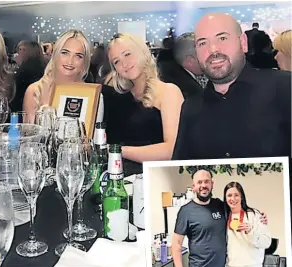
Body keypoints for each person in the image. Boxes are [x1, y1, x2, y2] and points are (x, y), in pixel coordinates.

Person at [172, 13, 291, 160]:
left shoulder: (285, 88)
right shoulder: (191, 108)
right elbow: (180, 172)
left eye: (222, 38)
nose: (213, 50)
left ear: (243, 43)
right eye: (203, 43)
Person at [104, 33, 183, 163]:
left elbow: (172, 150)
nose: (124, 64)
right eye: (117, 61)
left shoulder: (168, 92)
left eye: (127, 54)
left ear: (141, 51)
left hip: (153, 177)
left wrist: (118, 150)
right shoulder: (117, 97)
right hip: (119, 176)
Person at [172, 169, 267, 267]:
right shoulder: (186, 211)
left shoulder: (220, 205)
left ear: (212, 184)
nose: (203, 185)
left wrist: (258, 216)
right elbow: (176, 244)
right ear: (194, 186)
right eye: (199, 182)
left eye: (206, 181)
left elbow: (237, 208)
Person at [23, 29, 104, 123]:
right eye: (65, 53)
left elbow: (95, 135)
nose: (70, 61)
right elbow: (31, 135)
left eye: (78, 56)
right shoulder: (36, 90)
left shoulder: (91, 95)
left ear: (84, 62)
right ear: (55, 54)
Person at [223, 181, 271, 267]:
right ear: (225, 198)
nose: (233, 199)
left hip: (252, 265)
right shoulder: (224, 216)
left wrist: (250, 231)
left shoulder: (255, 215)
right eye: (229, 195)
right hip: (232, 265)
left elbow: (266, 242)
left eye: (236, 195)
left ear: (242, 197)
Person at [158, 32, 207, 99]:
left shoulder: (167, 76)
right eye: (203, 55)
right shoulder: (191, 92)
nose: (207, 59)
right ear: (190, 61)